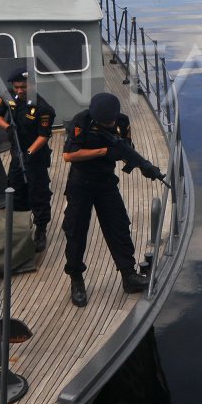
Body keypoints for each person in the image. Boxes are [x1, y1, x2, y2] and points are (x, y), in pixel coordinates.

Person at [62, 92, 165, 307]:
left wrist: (141, 165)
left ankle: (128, 275)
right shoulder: (81, 121)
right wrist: (103, 151)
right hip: (81, 183)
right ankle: (76, 279)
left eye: (111, 120)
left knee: (118, 226)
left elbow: (125, 147)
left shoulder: (122, 121)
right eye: (105, 121)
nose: (110, 124)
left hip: (106, 181)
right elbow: (69, 155)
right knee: (76, 230)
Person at [0, 67, 55, 251]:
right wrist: (8, 128)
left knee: (38, 192)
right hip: (17, 153)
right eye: (16, 87)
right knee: (15, 188)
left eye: (23, 87)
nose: (19, 91)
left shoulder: (43, 108)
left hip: (35, 156)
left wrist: (28, 153)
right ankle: (19, 226)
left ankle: (40, 228)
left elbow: (43, 136)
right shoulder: (9, 97)